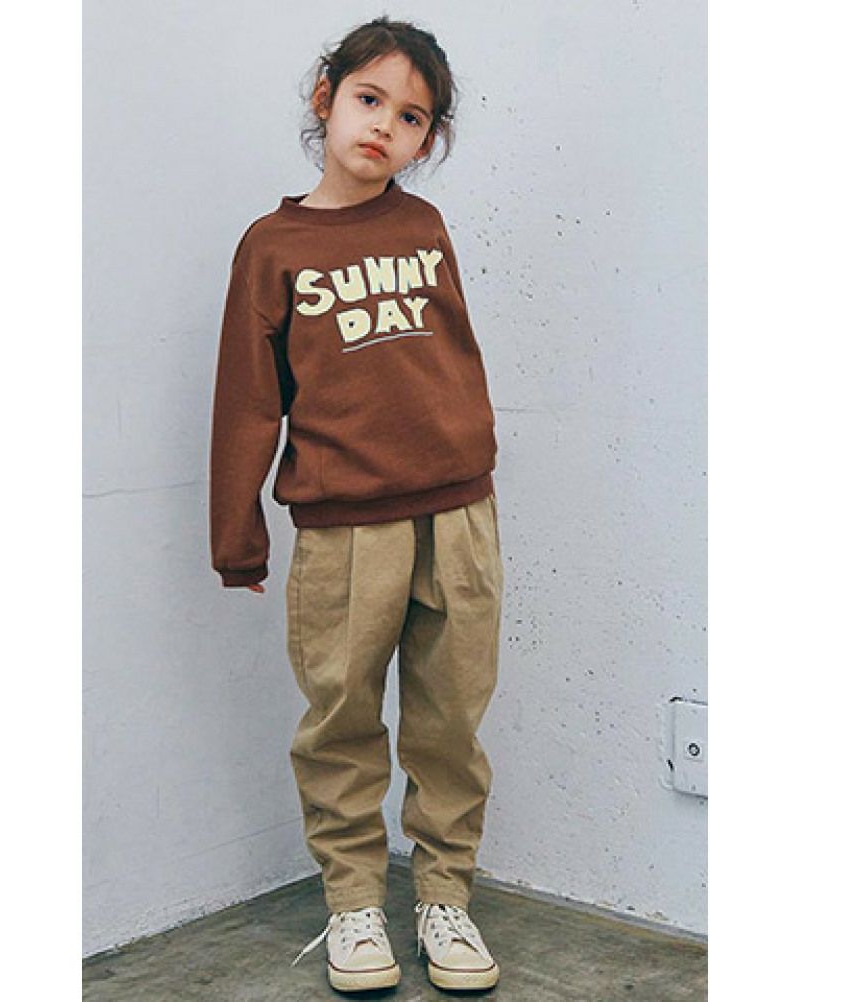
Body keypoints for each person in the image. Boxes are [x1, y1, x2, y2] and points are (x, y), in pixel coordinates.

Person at [209, 15, 503, 994]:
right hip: (343, 529)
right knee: (340, 722)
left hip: (458, 517)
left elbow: (454, 358)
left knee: (449, 722)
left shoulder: (424, 228)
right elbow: (248, 399)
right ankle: (353, 906)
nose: (384, 125)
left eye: (411, 116)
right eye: (369, 99)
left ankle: (445, 897)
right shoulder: (273, 247)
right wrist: (237, 536)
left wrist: (469, 453)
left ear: (428, 140)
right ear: (325, 97)